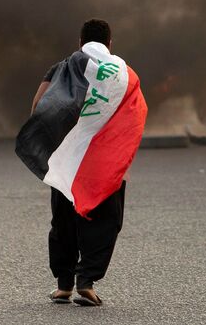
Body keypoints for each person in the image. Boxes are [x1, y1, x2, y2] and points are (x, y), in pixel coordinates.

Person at [30, 19, 129, 307]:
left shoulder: (63, 67)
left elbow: (39, 104)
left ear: (80, 42)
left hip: (67, 157)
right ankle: (87, 282)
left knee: (63, 217)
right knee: (105, 217)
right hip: (101, 159)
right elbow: (131, 113)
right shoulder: (121, 74)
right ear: (109, 44)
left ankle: (63, 286)